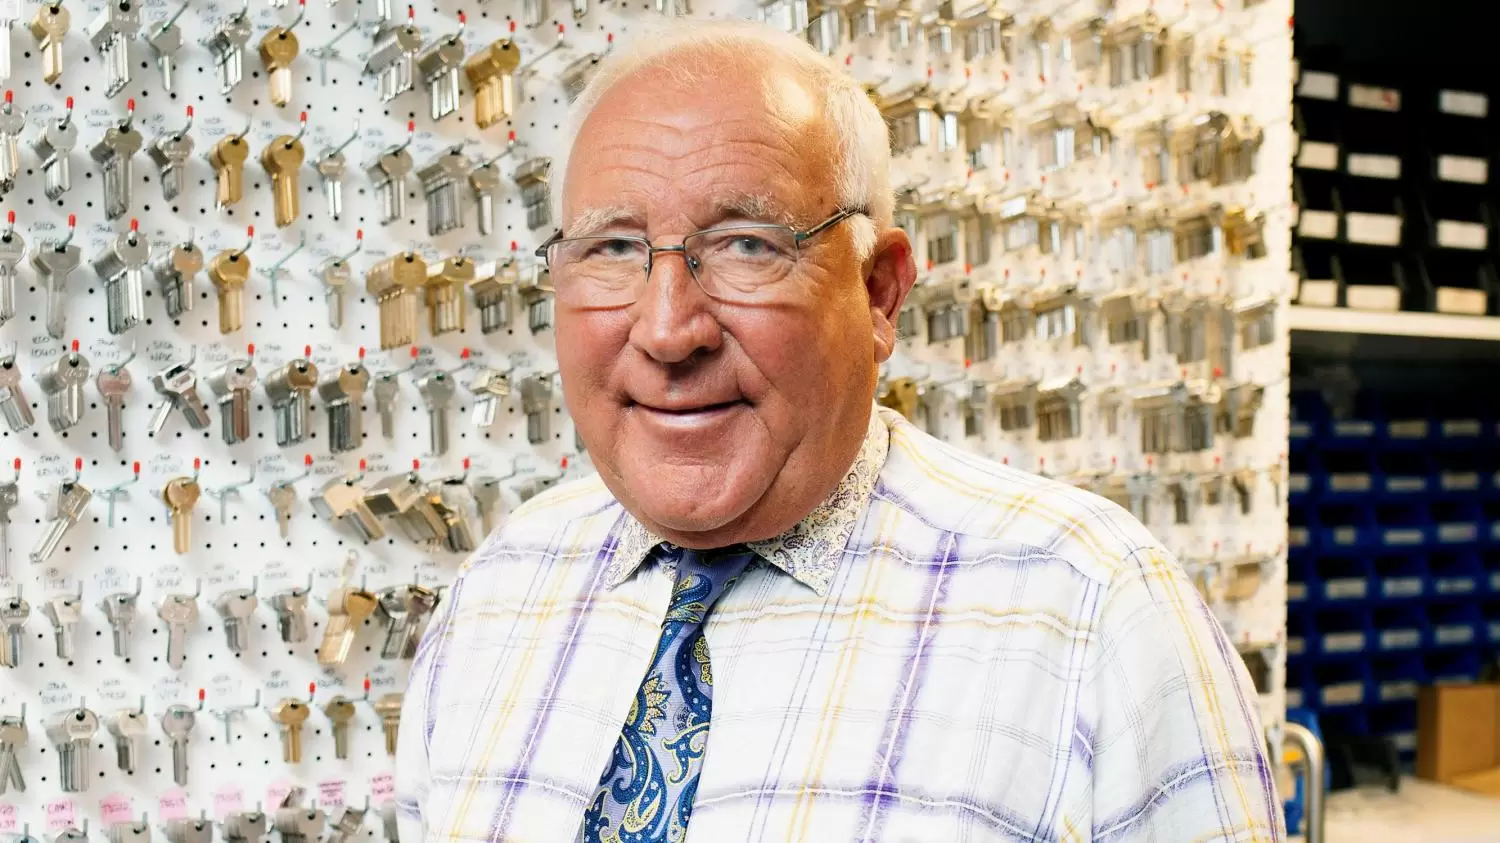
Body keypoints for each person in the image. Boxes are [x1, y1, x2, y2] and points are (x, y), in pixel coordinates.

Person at [396, 19, 1282, 843]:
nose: (668, 330)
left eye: (747, 244)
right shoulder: (494, 598)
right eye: (614, 249)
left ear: (880, 293)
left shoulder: (1091, 613)